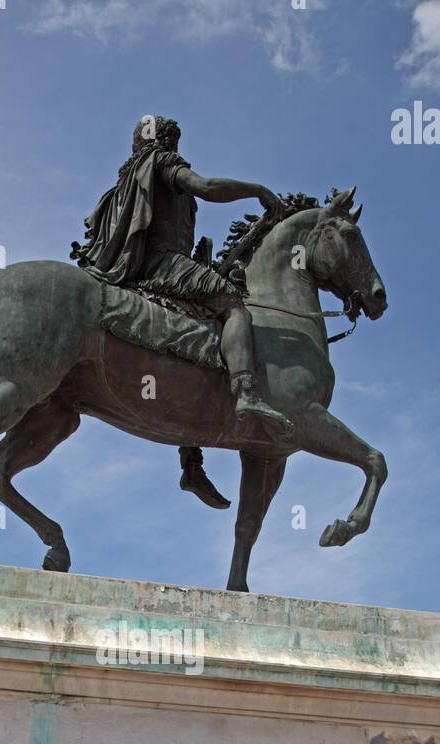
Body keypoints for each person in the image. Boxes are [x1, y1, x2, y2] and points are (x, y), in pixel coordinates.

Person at [71, 115, 298, 508]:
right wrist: (257, 190)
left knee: (198, 339)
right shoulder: (162, 163)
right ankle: (246, 392)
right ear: (167, 140)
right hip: (163, 265)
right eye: (174, 138)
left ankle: (191, 463)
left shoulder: (128, 177)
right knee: (233, 308)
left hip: (142, 268)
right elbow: (206, 187)